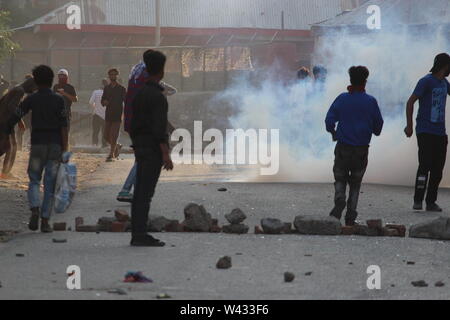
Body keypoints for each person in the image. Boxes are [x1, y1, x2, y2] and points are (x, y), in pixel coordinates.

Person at [4, 65, 69, 233]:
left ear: (35, 80)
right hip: (55, 146)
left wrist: (7, 128)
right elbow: (64, 126)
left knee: (34, 179)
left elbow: (15, 115)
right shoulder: (58, 100)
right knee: (49, 184)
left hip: (37, 145)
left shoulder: (31, 99)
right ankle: (45, 221)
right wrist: (65, 149)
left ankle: (34, 208)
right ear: (51, 79)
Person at [325, 66, 384, 226]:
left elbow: (329, 120)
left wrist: (333, 132)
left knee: (340, 176)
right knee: (356, 182)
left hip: (343, 146)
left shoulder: (343, 98)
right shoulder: (371, 101)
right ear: (365, 82)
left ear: (351, 80)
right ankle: (350, 215)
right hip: (361, 148)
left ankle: (339, 198)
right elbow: (378, 126)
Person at [117, 57, 177, 202]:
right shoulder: (147, 83)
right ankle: (126, 190)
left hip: (133, 123)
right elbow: (172, 91)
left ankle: (135, 192)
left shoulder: (135, 76)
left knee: (141, 159)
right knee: (143, 160)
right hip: (144, 124)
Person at [130, 50, 174, 247]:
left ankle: (138, 232)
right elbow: (159, 129)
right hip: (152, 150)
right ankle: (140, 235)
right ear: (161, 72)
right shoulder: (158, 97)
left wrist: (138, 144)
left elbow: (132, 124)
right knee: (145, 194)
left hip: (141, 148)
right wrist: (165, 153)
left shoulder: (139, 95)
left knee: (140, 192)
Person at [405, 53, 450, 212]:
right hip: (425, 130)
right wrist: (409, 126)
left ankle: (431, 202)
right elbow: (411, 102)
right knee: (425, 166)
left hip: (440, 132)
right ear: (445, 66)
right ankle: (418, 199)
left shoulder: (445, 83)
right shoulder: (426, 81)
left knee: (438, 169)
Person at [0, 78, 37, 179]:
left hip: (5, 122)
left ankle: (5, 172)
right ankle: (5, 173)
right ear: (31, 86)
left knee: (8, 147)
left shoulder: (17, 89)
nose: (34, 91)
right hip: (4, 123)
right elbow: (11, 106)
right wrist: (20, 120)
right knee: (11, 148)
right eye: (35, 88)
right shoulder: (20, 91)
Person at [101, 68, 126, 162]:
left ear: (117, 76)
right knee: (106, 136)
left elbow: (126, 101)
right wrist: (104, 102)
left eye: (114, 74)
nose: (113, 76)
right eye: (111, 74)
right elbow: (102, 101)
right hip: (108, 114)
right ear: (109, 76)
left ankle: (111, 154)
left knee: (114, 134)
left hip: (117, 115)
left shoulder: (122, 89)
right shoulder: (106, 88)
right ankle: (117, 146)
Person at [53, 69, 77, 147]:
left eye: (63, 76)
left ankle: (65, 150)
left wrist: (64, 93)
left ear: (66, 77)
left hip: (66, 114)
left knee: (65, 133)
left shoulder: (70, 87)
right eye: (60, 76)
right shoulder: (56, 86)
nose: (61, 78)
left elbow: (75, 99)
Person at [89, 79, 108, 147]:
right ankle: (104, 144)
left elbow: (91, 102)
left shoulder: (96, 92)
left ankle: (94, 144)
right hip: (105, 115)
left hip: (96, 114)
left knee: (96, 131)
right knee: (104, 131)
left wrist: (95, 107)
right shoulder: (109, 93)